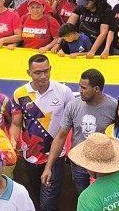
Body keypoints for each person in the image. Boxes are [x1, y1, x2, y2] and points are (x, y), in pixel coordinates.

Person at [9, 54, 74, 211]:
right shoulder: (19, 94)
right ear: (28, 72)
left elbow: (72, 123)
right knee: (37, 198)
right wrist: (12, 144)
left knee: (47, 204)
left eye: (46, 71)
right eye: (38, 72)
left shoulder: (64, 92)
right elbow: (16, 124)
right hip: (30, 156)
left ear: (51, 69)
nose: (43, 76)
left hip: (56, 155)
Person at [40, 68, 117, 193]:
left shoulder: (114, 107)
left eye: (84, 88)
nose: (80, 91)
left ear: (96, 89)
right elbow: (61, 136)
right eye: (79, 86)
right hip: (79, 165)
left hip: (103, 166)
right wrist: (48, 167)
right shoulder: (73, 105)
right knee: (84, 199)